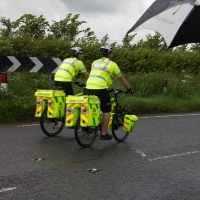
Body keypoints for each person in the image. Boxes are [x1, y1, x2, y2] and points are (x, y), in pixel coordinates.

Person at [86, 45, 134, 140]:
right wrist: (129, 88)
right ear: (109, 54)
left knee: (92, 106)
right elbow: (121, 79)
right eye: (112, 52)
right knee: (106, 110)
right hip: (100, 88)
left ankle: (88, 126)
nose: (112, 54)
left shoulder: (95, 62)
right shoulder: (112, 64)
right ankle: (104, 134)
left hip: (88, 87)